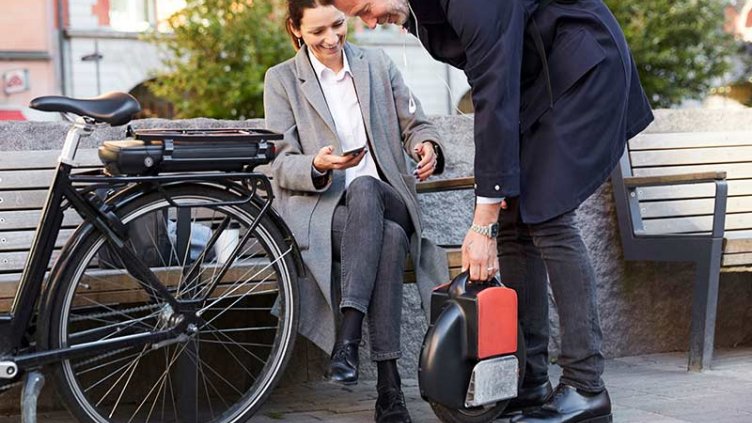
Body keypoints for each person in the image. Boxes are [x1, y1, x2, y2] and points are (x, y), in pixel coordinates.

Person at [324, 0, 654, 422]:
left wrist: (482, 225)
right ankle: (530, 380)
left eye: (365, 8)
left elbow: (493, 88)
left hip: (583, 72)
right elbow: (487, 81)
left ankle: (587, 387)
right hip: (537, 84)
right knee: (515, 222)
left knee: (550, 219)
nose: (369, 23)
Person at [263, 1, 449, 421]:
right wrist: (317, 165)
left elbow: (416, 123)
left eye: (337, 25)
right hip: (330, 212)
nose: (331, 39)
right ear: (295, 31)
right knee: (387, 240)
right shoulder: (281, 80)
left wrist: (427, 147)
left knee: (367, 186)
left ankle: (347, 338)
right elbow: (277, 162)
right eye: (316, 32)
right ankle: (389, 389)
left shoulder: (376, 64)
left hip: (390, 198)